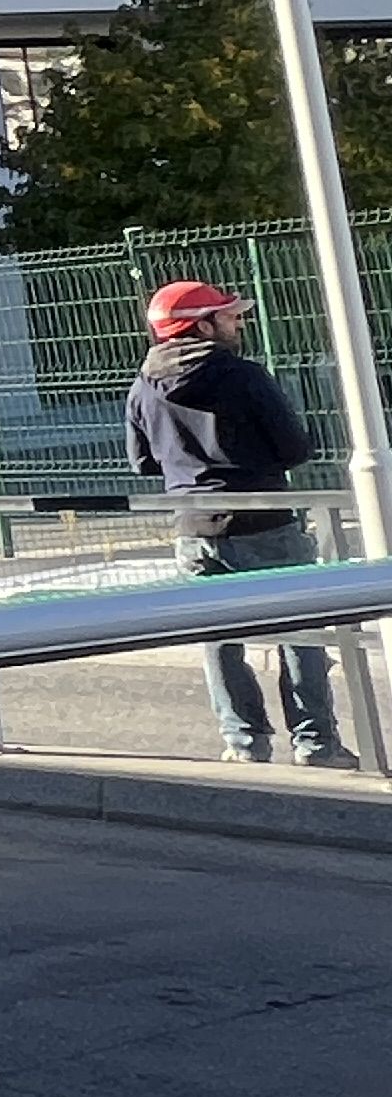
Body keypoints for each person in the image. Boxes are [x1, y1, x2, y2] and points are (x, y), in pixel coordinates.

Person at [127, 278, 358, 769]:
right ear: (202, 325)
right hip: (265, 523)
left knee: (218, 640)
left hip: (193, 529)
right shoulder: (244, 376)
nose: (239, 322)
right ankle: (316, 743)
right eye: (230, 315)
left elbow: (142, 462)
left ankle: (244, 742)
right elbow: (295, 448)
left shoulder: (144, 383)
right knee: (300, 634)